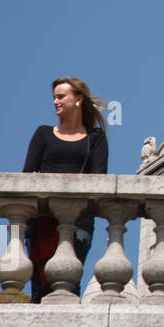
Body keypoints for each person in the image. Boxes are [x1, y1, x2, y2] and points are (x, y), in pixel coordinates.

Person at [22, 78, 106, 301]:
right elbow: (27, 176)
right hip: (42, 221)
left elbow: (99, 180)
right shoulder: (43, 134)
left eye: (61, 97)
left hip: (79, 221)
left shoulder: (96, 138)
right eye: (54, 97)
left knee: (69, 283)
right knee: (40, 284)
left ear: (78, 99)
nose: (55, 102)